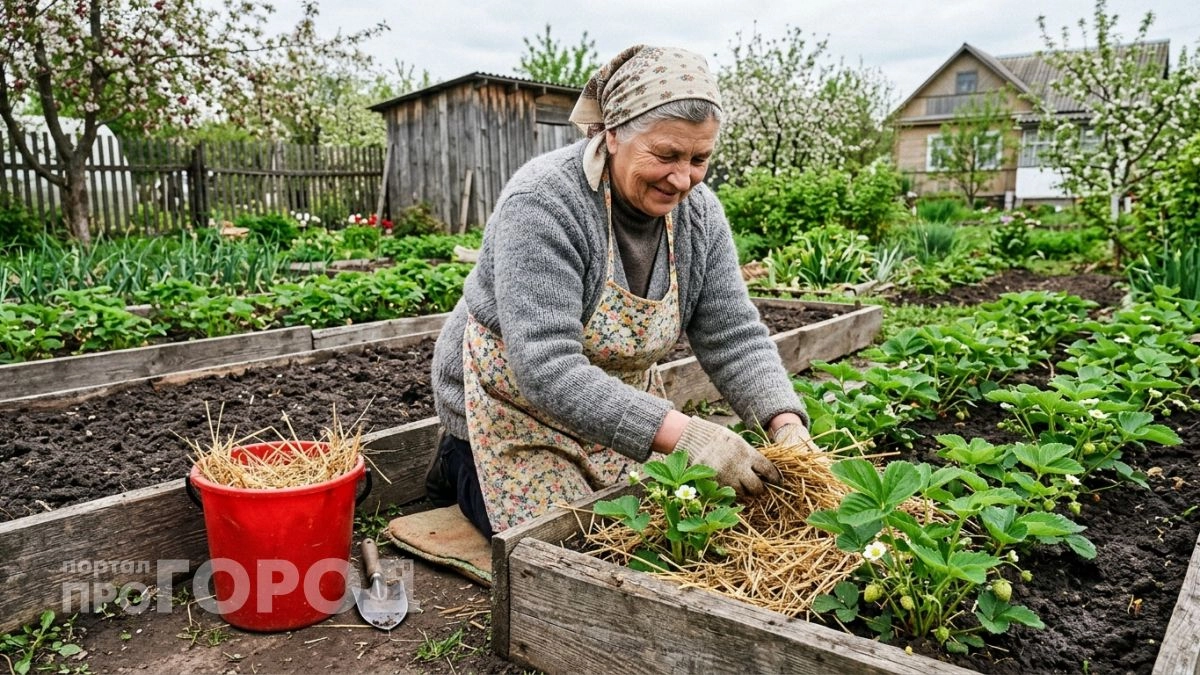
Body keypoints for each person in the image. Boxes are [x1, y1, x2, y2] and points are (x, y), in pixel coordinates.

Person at [427, 44, 814, 538]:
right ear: (612, 134)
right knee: (581, 540)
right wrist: (689, 435)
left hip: (617, 406)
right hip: (513, 409)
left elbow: (733, 335)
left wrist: (784, 422)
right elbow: (546, 367)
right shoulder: (544, 202)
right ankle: (455, 460)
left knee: (660, 527)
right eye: (666, 155)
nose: (683, 179)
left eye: (699, 158)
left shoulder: (699, 216)